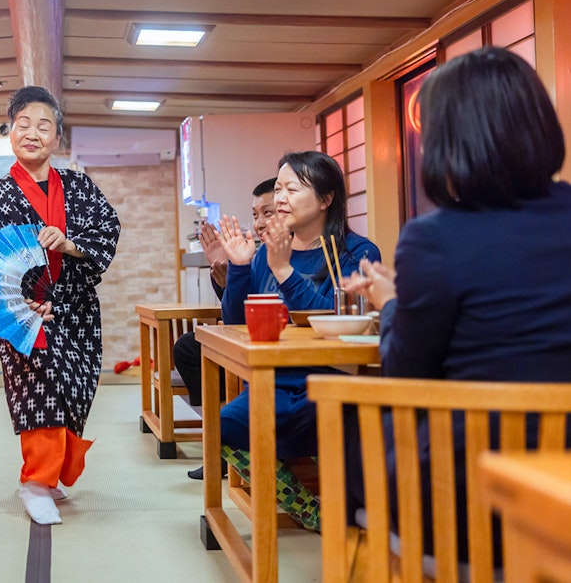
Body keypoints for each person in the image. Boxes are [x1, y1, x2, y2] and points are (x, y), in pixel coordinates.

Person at [344, 46, 571, 561]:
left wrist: (392, 303)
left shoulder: (435, 237)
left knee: (354, 424)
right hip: (565, 485)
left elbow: (407, 375)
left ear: (447, 142)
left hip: (472, 504)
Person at [213, 150, 381, 530]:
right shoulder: (265, 254)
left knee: (351, 423)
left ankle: (349, 497)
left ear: (325, 199)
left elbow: (333, 321)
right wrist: (240, 267)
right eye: (278, 188)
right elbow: (238, 323)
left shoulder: (358, 252)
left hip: (331, 383)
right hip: (274, 384)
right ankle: (310, 509)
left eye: (293, 188)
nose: (281, 198)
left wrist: (285, 271)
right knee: (220, 426)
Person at [0, 86, 120, 525]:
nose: (33, 133)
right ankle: (34, 481)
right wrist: (25, 304)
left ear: (57, 137)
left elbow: (108, 229)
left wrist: (72, 245)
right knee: (40, 391)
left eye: (44, 125)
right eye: (23, 124)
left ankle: (51, 474)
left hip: (76, 308)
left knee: (75, 389)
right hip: (24, 314)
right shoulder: (0, 196)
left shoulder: (78, 186)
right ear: (10, 132)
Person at [179, 177, 275, 480]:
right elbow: (236, 313)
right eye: (255, 214)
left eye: (268, 213)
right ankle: (218, 433)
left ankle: (225, 436)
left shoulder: (293, 253)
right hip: (249, 336)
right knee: (189, 347)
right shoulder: (258, 253)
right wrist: (226, 276)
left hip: (276, 347)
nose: (259, 223)